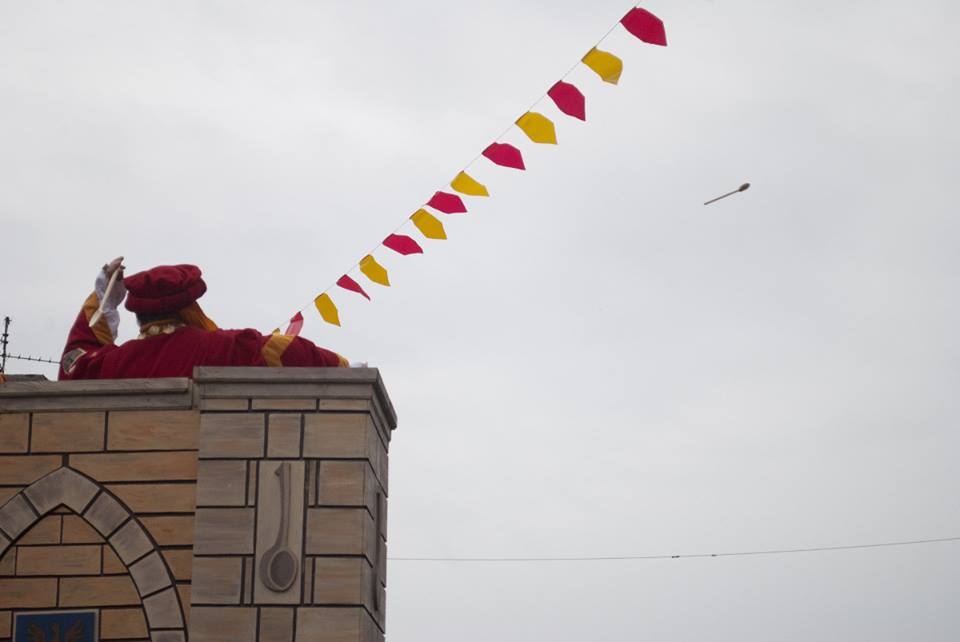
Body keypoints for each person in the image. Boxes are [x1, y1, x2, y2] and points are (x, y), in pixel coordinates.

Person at [59, 257, 348, 380]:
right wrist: (345, 367)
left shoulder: (113, 364)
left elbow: (75, 364)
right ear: (190, 307)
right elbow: (290, 351)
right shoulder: (226, 348)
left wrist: (103, 301)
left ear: (138, 311)